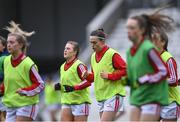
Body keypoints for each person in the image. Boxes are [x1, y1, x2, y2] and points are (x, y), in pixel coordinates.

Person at [62, 29, 127, 121]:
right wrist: (87, 75)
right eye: (90, 42)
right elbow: (93, 77)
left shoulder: (112, 54)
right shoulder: (93, 56)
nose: (92, 45)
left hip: (113, 95)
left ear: (102, 41)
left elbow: (126, 70)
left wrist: (109, 76)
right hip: (101, 97)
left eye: (94, 42)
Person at [126, 9, 174, 121]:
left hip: (152, 98)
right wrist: (126, 80)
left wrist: (146, 78)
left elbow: (163, 71)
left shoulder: (149, 49)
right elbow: (134, 76)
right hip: (137, 97)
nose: (128, 31)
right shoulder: (130, 51)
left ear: (142, 30)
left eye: (132, 28)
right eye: (127, 27)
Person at [2, 21, 44, 121]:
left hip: (26, 105)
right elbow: (8, 82)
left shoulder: (28, 63)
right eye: (7, 42)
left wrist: (25, 91)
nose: (8, 45)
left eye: (12, 42)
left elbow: (40, 85)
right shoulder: (6, 61)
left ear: (20, 45)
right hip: (10, 105)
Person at [55, 41, 91, 122]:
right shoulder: (62, 66)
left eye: (68, 48)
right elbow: (68, 84)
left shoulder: (79, 65)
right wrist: (60, 86)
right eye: (65, 48)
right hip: (66, 102)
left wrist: (74, 88)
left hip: (80, 103)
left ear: (75, 52)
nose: (65, 50)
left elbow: (88, 81)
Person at [152, 31, 180, 122]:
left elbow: (174, 80)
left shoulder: (168, 58)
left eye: (155, 40)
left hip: (170, 102)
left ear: (163, 42)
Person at [0, 36, 9, 121]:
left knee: (4, 117)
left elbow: (8, 75)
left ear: (3, 46)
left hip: (3, 94)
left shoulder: (5, 58)